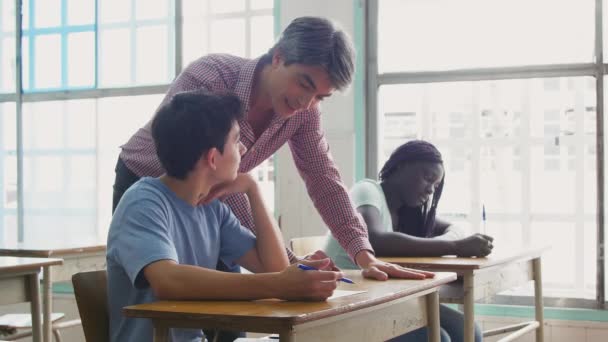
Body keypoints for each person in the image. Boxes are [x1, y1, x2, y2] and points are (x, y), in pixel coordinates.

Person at [113, 16, 431, 281]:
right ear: (278, 56)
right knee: (166, 292)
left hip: (214, 199)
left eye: (321, 97)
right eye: (305, 84)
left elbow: (324, 179)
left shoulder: (304, 114)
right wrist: (291, 265)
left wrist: (364, 256)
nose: (307, 103)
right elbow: (212, 171)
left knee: (226, 307)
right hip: (150, 182)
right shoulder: (213, 76)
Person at [107, 90, 345, 342]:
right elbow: (167, 280)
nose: (243, 148)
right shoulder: (143, 202)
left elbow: (275, 268)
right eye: (236, 140)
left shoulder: (212, 208)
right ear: (212, 157)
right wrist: (280, 284)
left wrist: (253, 190)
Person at [324, 140, 492, 342]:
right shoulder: (367, 190)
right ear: (401, 166)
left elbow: (453, 228)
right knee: (438, 338)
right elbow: (375, 240)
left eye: (436, 185)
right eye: (427, 178)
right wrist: (455, 246)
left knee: (468, 330)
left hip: (382, 297)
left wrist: (456, 242)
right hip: (348, 300)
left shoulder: (407, 211)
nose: (431, 190)